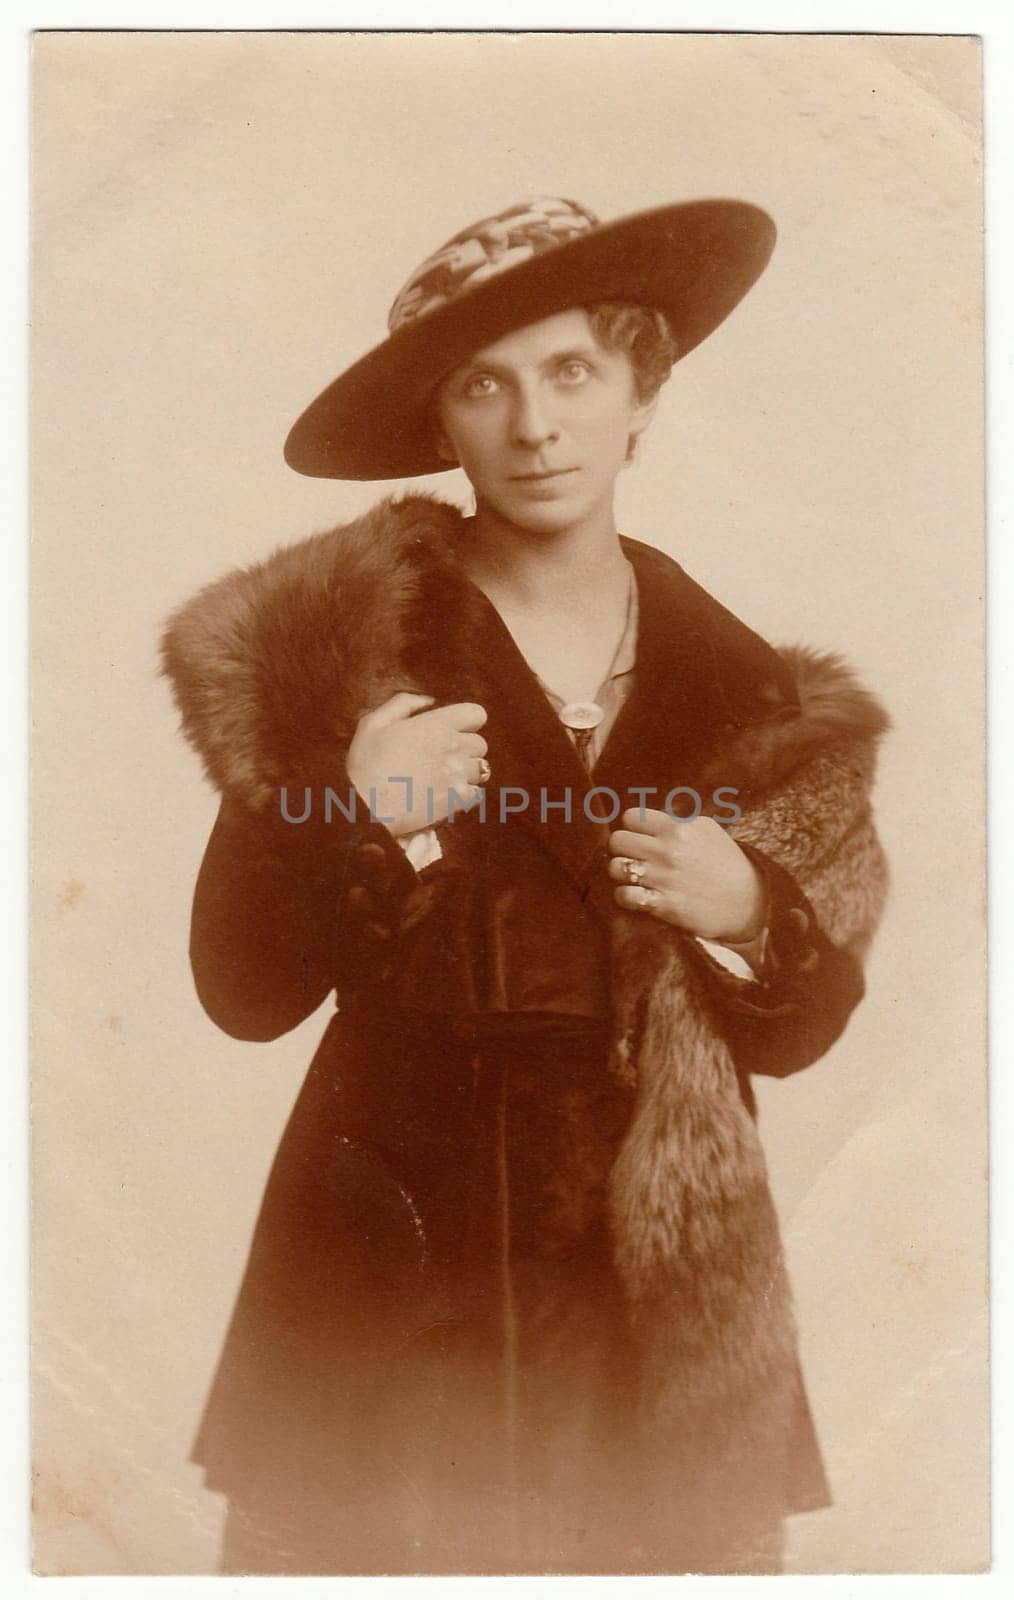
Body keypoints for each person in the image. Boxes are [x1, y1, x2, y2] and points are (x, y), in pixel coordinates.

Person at [160, 195, 890, 1576]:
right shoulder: (340, 648)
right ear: (440, 426)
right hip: (398, 1247)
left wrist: (751, 912)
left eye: (571, 373)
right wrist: (352, 818)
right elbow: (241, 990)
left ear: (638, 394)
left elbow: (800, 1027)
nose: (535, 425)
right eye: (483, 385)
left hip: (654, 1271)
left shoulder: (748, 696)